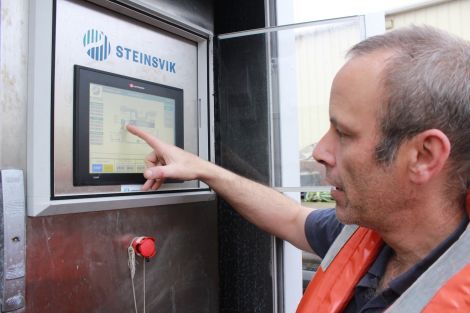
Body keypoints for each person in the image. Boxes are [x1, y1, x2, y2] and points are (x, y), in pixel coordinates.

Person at [127, 25, 470, 312]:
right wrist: (203, 168)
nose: (320, 151)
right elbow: (291, 217)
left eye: (344, 134)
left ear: (424, 156)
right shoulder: (365, 233)